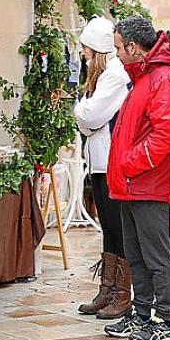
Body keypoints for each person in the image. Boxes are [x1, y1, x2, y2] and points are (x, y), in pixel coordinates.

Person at [104, 16, 170, 340]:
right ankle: (141, 313)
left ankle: (164, 319)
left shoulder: (161, 80)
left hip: (147, 183)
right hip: (132, 183)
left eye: (120, 48)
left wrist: (128, 163)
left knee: (156, 255)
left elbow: (165, 136)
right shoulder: (144, 78)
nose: (118, 54)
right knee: (136, 254)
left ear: (134, 47)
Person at [74, 17, 132, 319]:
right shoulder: (102, 77)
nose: (83, 55)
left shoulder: (113, 76)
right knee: (107, 227)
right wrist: (83, 114)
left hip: (111, 161)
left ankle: (121, 295)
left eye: (85, 49)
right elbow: (88, 117)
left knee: (115, 226)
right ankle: (107, 289)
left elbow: (91, 115)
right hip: (99, 160)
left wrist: (80, 112)